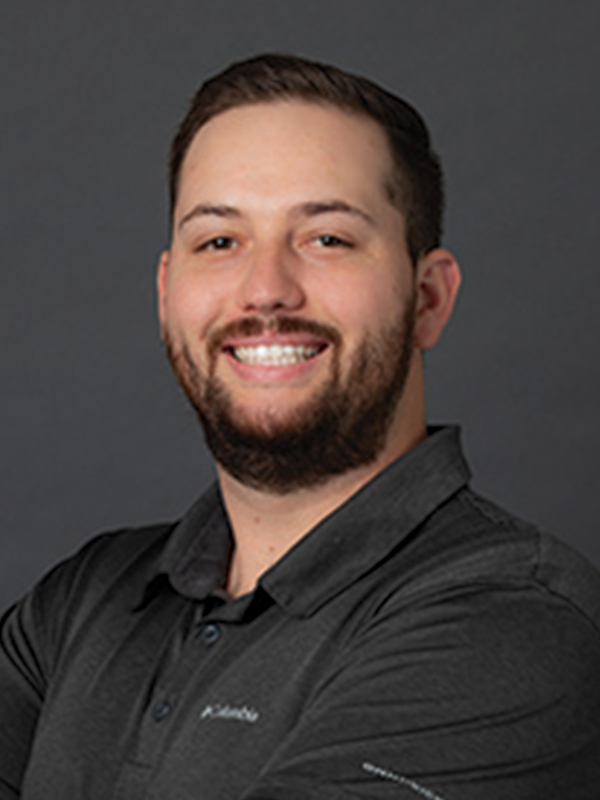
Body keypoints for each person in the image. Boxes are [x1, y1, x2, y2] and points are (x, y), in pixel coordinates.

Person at [1, 53, 600, 800]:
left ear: (428, 298)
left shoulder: (519, 624)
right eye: (219, 241)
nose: (265, 291)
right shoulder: (80, 603)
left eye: (327, 239)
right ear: (166, 293)